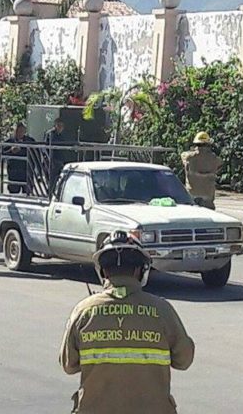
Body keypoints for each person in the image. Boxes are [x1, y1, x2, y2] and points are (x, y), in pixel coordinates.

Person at [60, 231, 195, 414]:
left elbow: (68, 365)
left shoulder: (84, 311)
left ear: (104, 271)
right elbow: (184, 360)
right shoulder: (162, 310)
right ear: (139, 270)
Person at [181, 132, 223, 210]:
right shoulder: (214, 159)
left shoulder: (189, 157)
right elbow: (220, 163)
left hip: (192, 196)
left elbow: (182, 155)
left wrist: (194, 151)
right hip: (208, 198)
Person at [3, 124, 36, 194]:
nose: (20, 133)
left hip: (26, 172)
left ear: (25, 131)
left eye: (22, 131)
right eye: (18, 131)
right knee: (13, 193)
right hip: (14, 172)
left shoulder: (30, 141)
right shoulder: (9, 141)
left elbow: (36, 154)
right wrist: (11, 150)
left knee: (27, 194)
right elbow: (2, 153)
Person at [45, 117, 67, 194]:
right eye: (59, 125)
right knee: (52, 179)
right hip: (51, 159)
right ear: (55, 125)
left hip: (59, 159)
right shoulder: (50, 134)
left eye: (62, 126)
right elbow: (47, 147)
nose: (60, 128)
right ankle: (50, 193)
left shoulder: (61, 135)